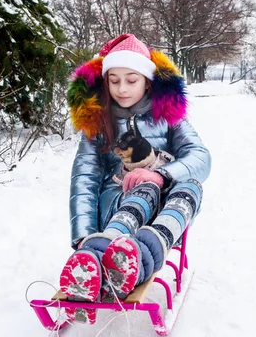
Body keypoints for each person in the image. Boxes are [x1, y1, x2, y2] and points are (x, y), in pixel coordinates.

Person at [60, 34, 211, 324]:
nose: (122, 89)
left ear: (147, 81)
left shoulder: (168, 117)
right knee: (140, 189)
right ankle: (97, 254)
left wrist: (160, 175)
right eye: (114, 80)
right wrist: (82, 235)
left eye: (131, 80)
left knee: (191, 185)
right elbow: (84, 178)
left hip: (167, 209)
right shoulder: (98, 122)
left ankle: (137, 256)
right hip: (118, 207)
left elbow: (201, 157)